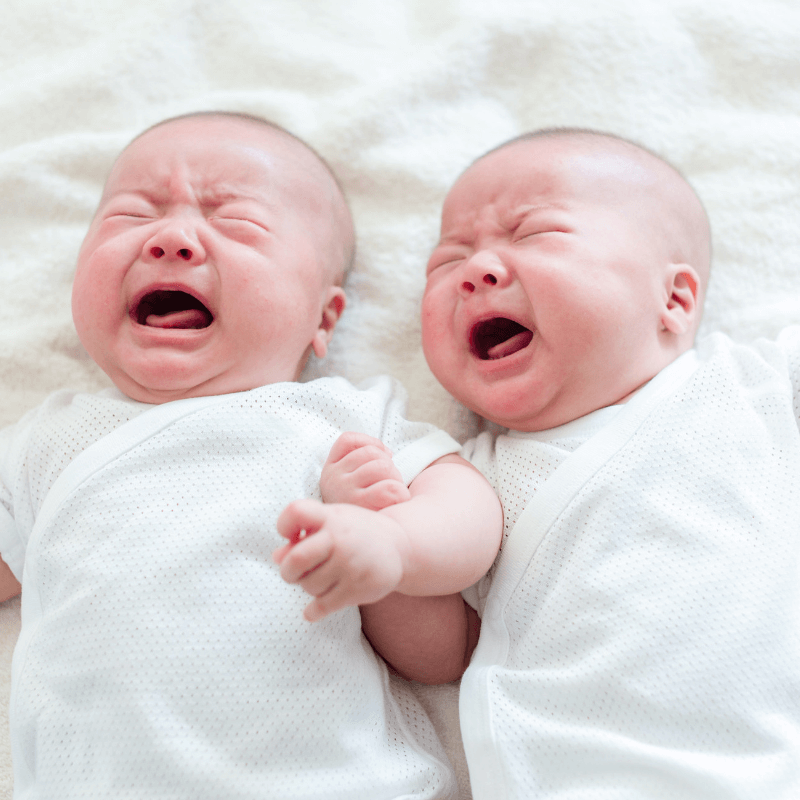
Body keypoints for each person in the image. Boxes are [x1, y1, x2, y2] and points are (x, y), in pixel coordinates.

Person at [0, 111, 502, 799]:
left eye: (235, 223)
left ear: (322, 319)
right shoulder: (46, 441)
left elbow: (446, 642)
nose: (171, 238)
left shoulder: (340, 424)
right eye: (130, 216)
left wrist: (392, 544)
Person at [322, 129, 800, 798]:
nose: (475, 268)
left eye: (534, 234)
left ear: (675, 300)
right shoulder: (468, 480)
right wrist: (383, 562)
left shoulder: (755, 393)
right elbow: (446, 654)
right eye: (446, 259)